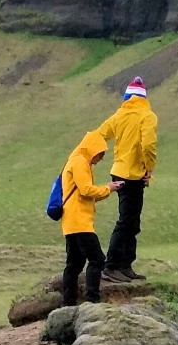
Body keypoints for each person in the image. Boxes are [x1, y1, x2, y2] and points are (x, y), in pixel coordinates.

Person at [93, 74, 159, 279]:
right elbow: (148, 145)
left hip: (118, 170)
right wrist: (149, 168)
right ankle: (112, 266)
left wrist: (92, 156)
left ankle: (125, 265)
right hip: (133, 174)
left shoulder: (119, 115)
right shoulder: (148, 116)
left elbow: (99, 134)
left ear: (127, 97)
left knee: (130, 221)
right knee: (128, 222)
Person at [58, 132, 120, 305]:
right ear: (92, 149)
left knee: (74, 263)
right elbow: (86, 190)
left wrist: (109, 189)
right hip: (80, 222)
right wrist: (107, 187)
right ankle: (92, 299)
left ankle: (68, 302)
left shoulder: (76, 161)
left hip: (72, 221)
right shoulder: (79, 162)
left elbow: (86, 194)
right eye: (100, 153)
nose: (100, 158)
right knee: (97, 259)